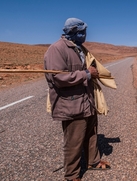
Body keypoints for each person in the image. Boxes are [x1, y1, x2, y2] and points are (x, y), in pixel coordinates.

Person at [44, 18, 110, 181]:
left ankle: (92, 162)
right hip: (71, 104)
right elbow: (58, 78)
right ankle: (72, 175)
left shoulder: (79, 49)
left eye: (85, 32)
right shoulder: (56, 50)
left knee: (91, 132)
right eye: (82, 32)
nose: (85, 35)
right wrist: (87, 74)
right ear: (73, 32)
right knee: (74, 140)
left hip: (86, 101)